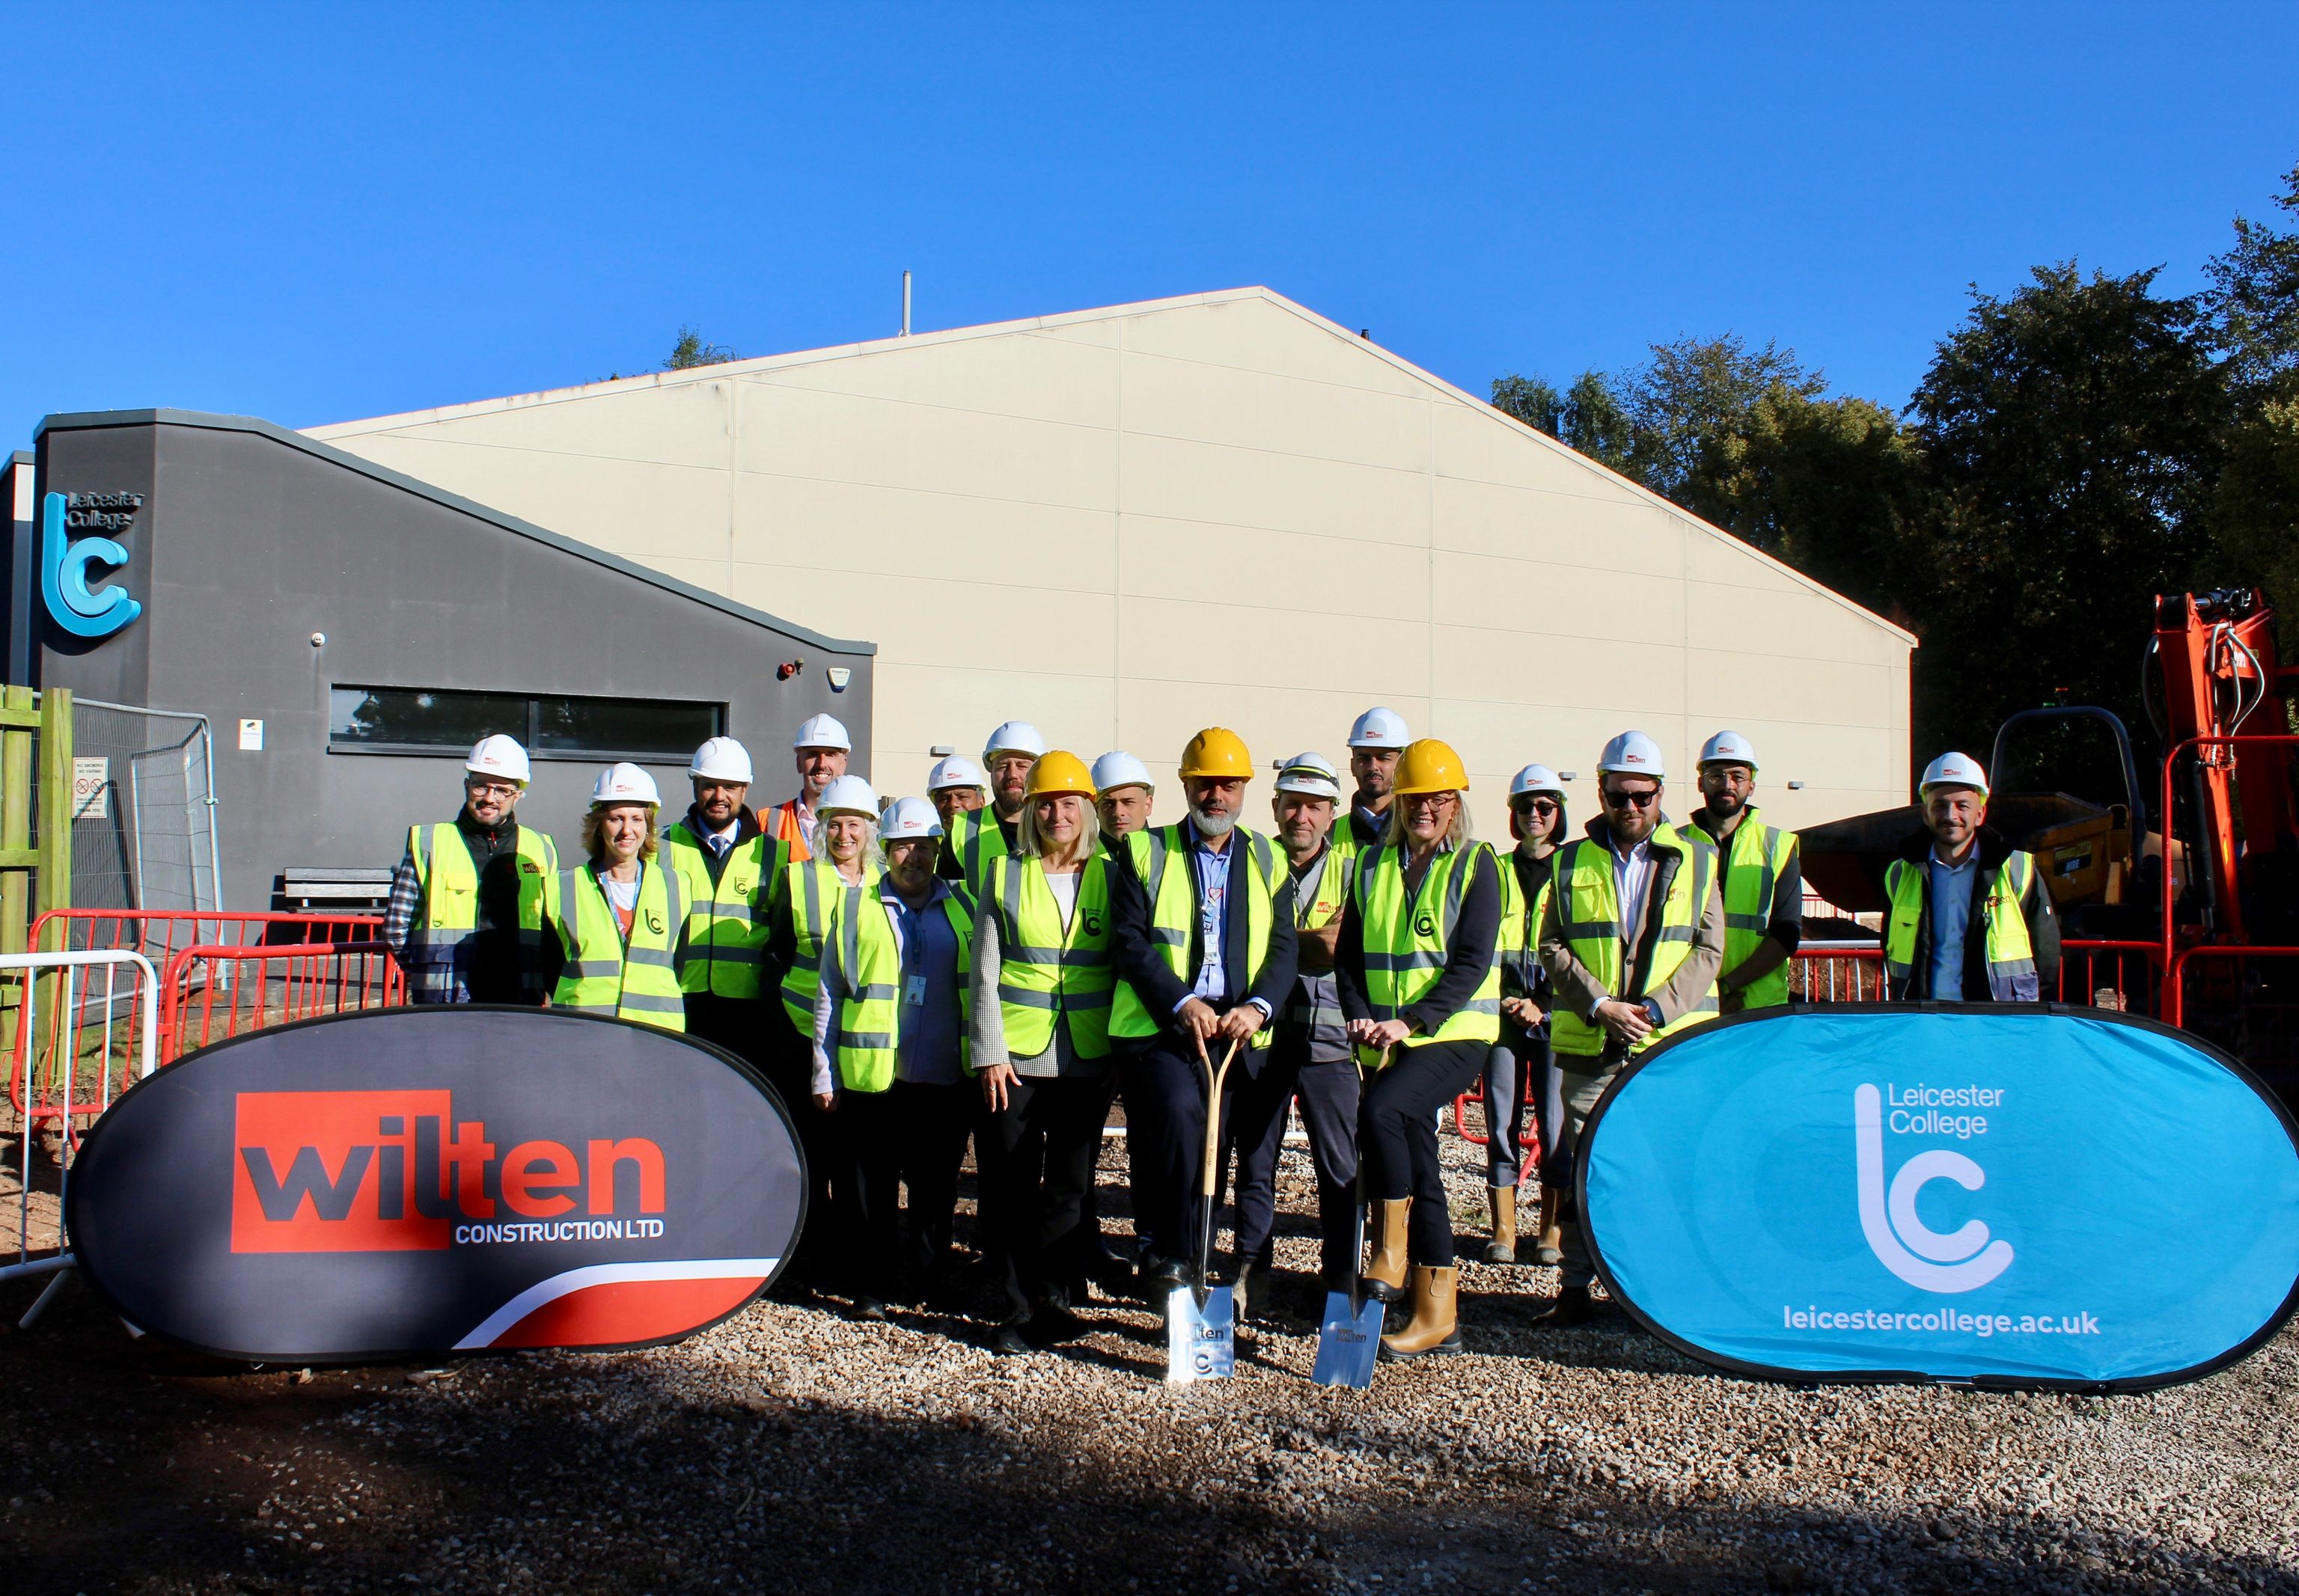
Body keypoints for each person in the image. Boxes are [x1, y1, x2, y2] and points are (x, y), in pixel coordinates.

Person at [1537, 730, 1726, 1327]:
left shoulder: (1698, 857)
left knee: (1666, 1165)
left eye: (1643, 796)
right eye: (1620, 796)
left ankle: (1655, 1291)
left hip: (1668, 1044)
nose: (1632, 808)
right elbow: (1550, 944)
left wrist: (1655, 1008)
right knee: (1587, 1166)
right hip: (1594, 1041)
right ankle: (1574, 1286)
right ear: (1602, 792)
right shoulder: (1568, 860)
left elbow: (1709, 947)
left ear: (1661, 792)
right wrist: (1600, 1005)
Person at [1107, 729, 1298, 1293]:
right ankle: (1174, 1258)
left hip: (1238, 1028)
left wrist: (1259, 1005)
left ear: (1243, 790)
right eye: (1206, 783)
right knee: (1179, 1117)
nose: (1217, 795)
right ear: (1186, 785)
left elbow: (1285, 945)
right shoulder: (1146, 849)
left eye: (1229, 784)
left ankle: (1214, 1260)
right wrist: (1181, 1001)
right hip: (1164, 1025)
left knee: (1234, 1147)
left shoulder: (1269, 856)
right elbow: (1131, 941)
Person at [1336, 738, 1500, 1360]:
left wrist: (1411, 1020)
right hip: (1388, 1034)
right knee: (1421, 1163)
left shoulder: (1477, 863)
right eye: (1415, 798)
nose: (1426, 809)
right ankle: (1439, 1315)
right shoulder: (1372, 864)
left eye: (1439, 798)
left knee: (1383, 1113)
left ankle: (1393, 1250)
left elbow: (1471, 962)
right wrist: (1360, 1015)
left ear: (1456, 803)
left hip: (1455, 1033)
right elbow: (1350, 955)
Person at [970, 751, 1121, 1354]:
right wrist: (988, 1051)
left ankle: (1056, 1300)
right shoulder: (1005, 871)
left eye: (1068, 802)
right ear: (1031, 811)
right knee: (1009, 1181)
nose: (1057, 813)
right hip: (1016, 1056)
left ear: (1087, 809)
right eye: (1046, 804)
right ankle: (1015, 1306)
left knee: (1069, 1186)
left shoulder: (1114, 874)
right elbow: (984, 969)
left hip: (1087, 1055)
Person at [810, 797, 977, 1320]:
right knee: (871, 1189)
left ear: (937, 849)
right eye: (904, 844)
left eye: (925, 845)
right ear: (885, 849)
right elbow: (829, 991)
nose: (915, 855)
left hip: (946, 1075)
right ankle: (872, 1286)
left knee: (935, 1189)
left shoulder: (965, 907)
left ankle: (931, 1280)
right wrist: (823, 1068)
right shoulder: (858, 906)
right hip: (876, 1079)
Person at [1225, 752, 1359, 1318]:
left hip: (1331, 1045)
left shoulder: (1356, 871)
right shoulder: (1252, 861)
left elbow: (1338, 948)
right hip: (1265, 1043)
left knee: (1339, 1169)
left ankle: (1340, 1280)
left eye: (1314, 805)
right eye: (1291, 803)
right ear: (1275, 807)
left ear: (1332, 813)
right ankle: (1253, 1272)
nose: (1301, 815)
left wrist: (1281, 941)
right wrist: (1307, 942)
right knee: (1255, 1163)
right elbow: (1312, 944)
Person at [385, 733, 559, 1005]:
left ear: (518, 795)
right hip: (447, 1004)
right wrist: (427, 973)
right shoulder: (430, 843)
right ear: (467, 785)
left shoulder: (541, 848)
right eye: (481, 786)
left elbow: (551, 929)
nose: (490, 798)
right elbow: (397, 928)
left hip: (520, 998)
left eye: (503, 790)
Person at [1883, 752, 2060, 1003]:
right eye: (1940, 805)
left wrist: (2035, 1020)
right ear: (1925, 813)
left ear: (1980, 813)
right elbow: (1891, 950)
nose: (1950, 815)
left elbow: (2047, 954)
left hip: (1997, 1019)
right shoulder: (1900, 874)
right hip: (1924, 1017)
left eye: (1962, 805)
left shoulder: (2018, 869)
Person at [1483, 763, 1566, 1267]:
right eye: (1525, 807)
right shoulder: (1496, 868)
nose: (1534, 815)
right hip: (1502, 1014)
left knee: (1555, 1126)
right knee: (1499, 1121)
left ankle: (1551, 1230)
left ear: (1558, 812)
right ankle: (1503, 1228)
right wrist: (1505, 1001)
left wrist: (1547, 1004)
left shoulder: (1575, 868)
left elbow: (1586, 946)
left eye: (1544, 807)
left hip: (1556, 1016)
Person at [663, 736, 788, 1061]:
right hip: (678, 1002)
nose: (719, 797)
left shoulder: (775, 853)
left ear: (744, 790)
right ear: (695, 785)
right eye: (710, 786)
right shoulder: (659, 846)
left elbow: (784, 940)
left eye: (729, 787)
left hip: (748, 1011)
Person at [549, 763, 687, 1030]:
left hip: (657, 1036)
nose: (627, 830)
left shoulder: (678, 886)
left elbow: (681, 964)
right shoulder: (562, 887)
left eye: (636, 819)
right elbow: (550, 965)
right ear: (599, 825)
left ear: (648, 826)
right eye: (616, 818)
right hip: (582, 1032)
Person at [1688, 732, 1803, 1015]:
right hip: (1688, 1006)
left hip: (1758, 1008)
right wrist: (1710, 993)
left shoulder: (1779, 847)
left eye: (1738, 776)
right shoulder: (1674, 845)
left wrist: (1726, 987)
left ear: (1751, 785)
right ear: (1701, 782)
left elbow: (1787, 934)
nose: (1727, 784)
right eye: (1716, 775)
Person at [943, 721, 1044, 893]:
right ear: (990, 772)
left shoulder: (1057, 827)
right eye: (1003, 766)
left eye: (1021, 766)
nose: (1012, 774)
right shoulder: (961, 832)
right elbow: (947, 904)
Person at [763, 713, 851, 862]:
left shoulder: (863, 824)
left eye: (830, 755)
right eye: (813, 754)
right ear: (799, 763)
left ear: (843, 764)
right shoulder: (768, 820)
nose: (822, 764)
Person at [1340, 707, 1411, 855]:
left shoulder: (1418, 832)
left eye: (1383, 758)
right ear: (1352, 766)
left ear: (1401, 765)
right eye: (1364, 758)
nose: (1373, 766)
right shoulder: (1328, 835)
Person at [1092, 751, 1156, 843]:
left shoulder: (1172, 850)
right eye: (1109, 803)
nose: (1118, 812)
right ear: (1096, 810)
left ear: (1148, 805)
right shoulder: (1083, 856)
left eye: (1128, 802)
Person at [926, 754, 989, 828]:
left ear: (981, 801)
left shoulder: (997, 836)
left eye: (962, 797)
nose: (953, 804)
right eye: (944, 799)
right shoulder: (927, 838)